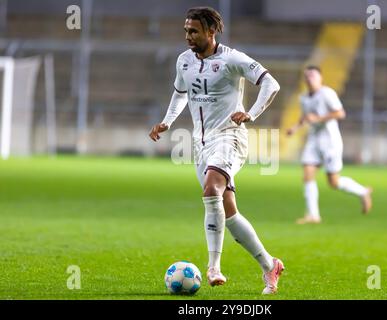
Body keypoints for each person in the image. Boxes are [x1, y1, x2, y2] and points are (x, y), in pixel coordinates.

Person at [149, 7, 283, 294]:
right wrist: (167, 121)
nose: (188, 36)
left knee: (211, 190)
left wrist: (252, 113)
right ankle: (270, 265)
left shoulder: (232, 59)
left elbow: (271, 84)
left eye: (193, 31)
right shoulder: (184, 61)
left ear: (211, 32)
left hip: (230, 137)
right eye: (186, 30)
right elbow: (180, 92)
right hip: (201, 144)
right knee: (229, 213)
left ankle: (213, 267)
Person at [287, 65, 373, 224]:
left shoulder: (327, 94)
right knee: (307, 174)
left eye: (312, 75)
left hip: (330, 142)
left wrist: (318, 119)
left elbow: (340, 113)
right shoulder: (304, 97)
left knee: (333, 182)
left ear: (320, 78)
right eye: (307, 76)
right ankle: (313, 215)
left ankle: (362, 192)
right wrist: (295, 128)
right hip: (314, 140)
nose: (309, 78)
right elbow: (306, 116)